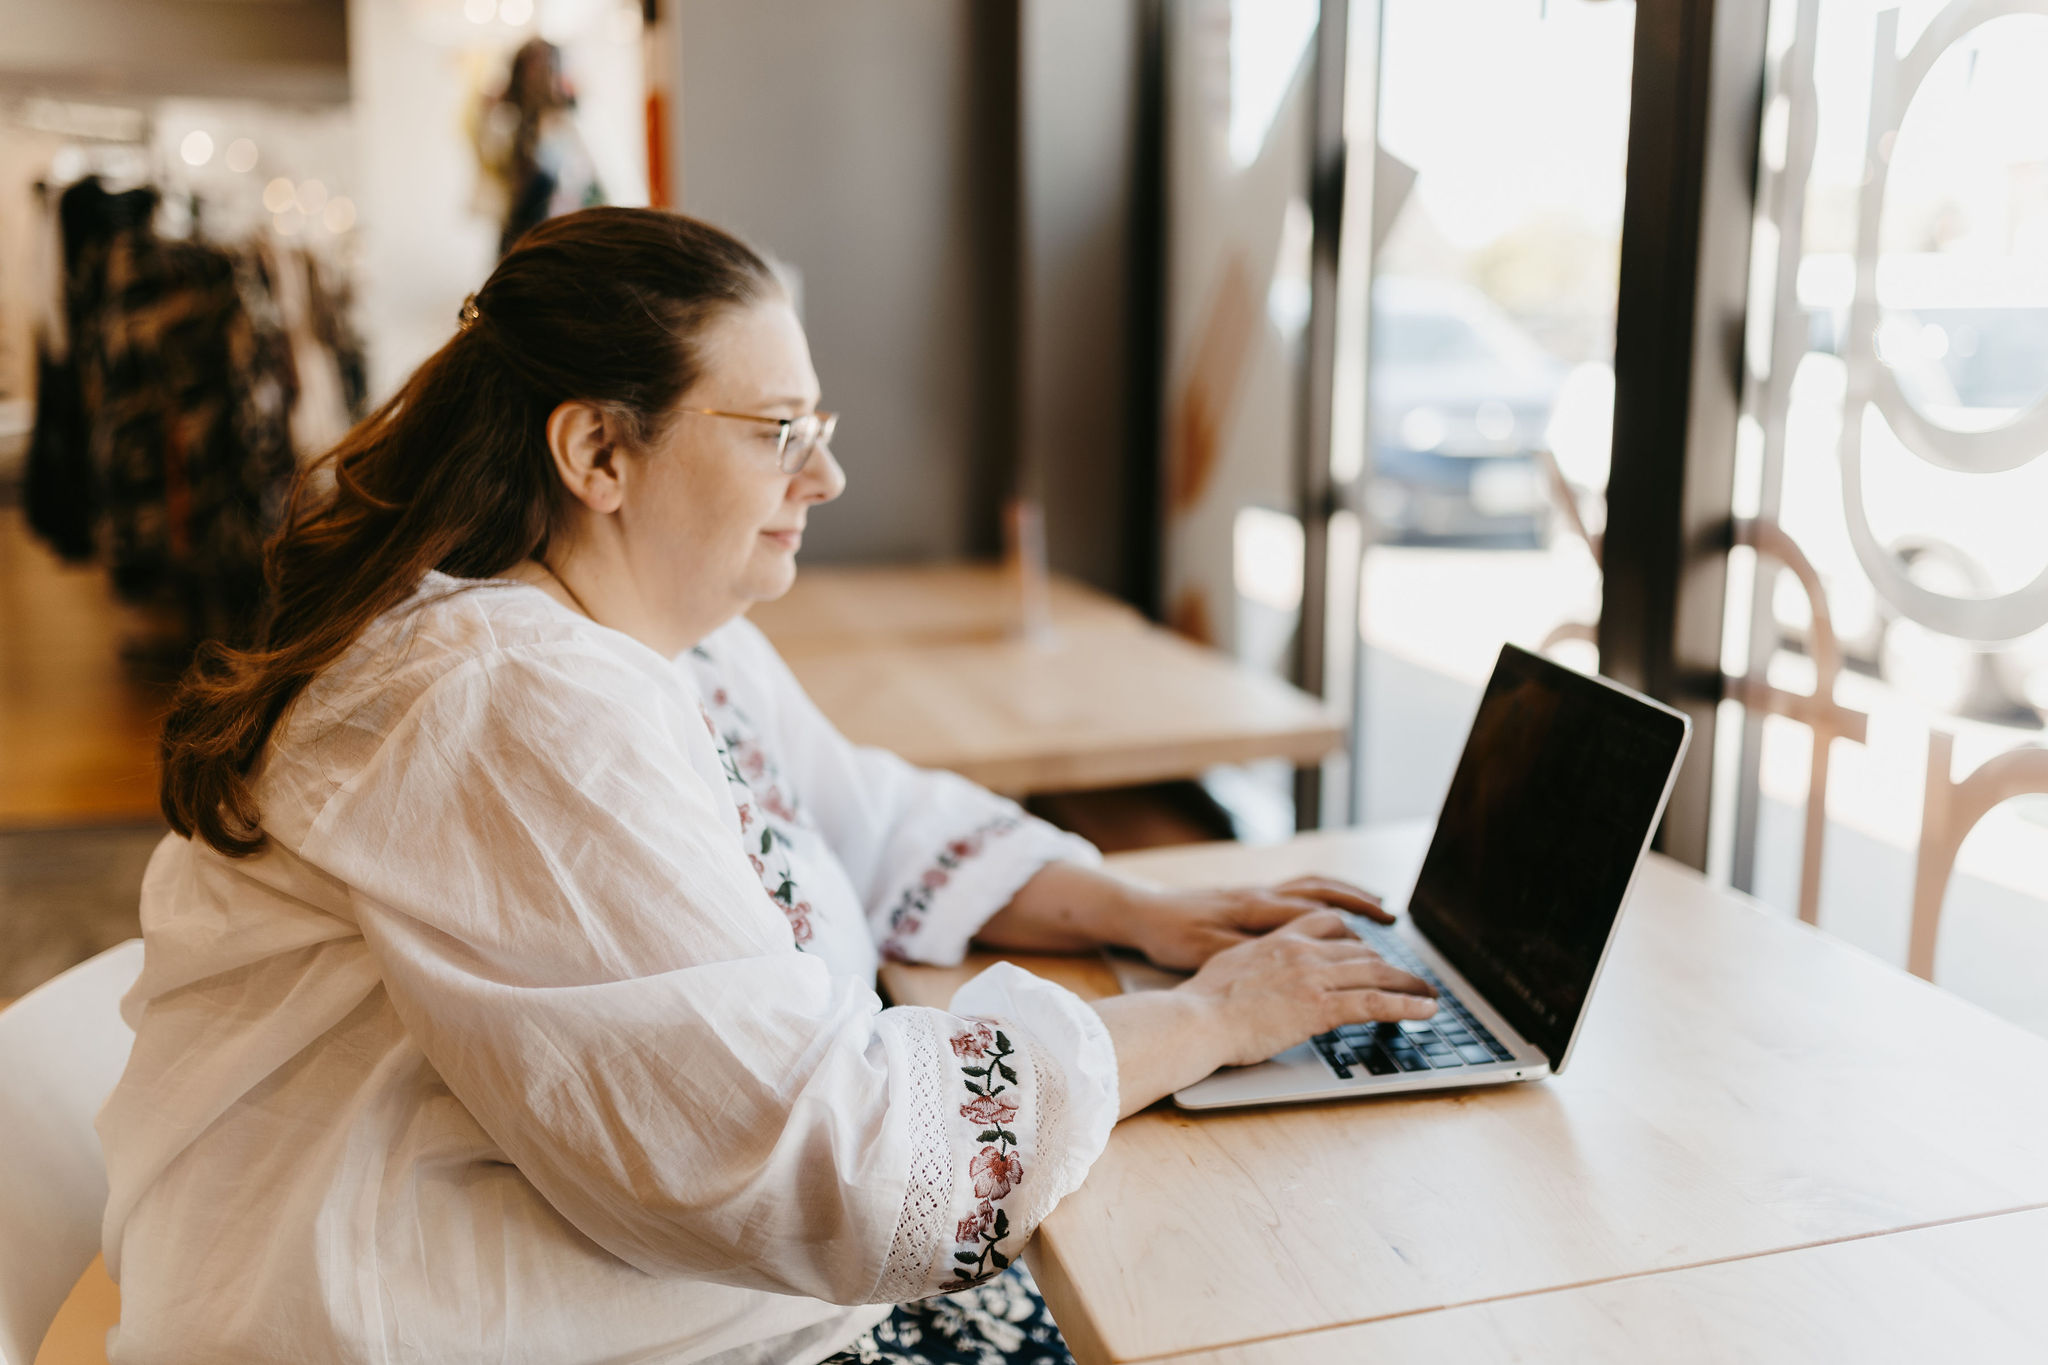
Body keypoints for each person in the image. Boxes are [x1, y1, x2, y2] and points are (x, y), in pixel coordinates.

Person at [98, 207, 1437, 1365]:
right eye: (780, 431)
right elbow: (826, 1162)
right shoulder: (515, 700)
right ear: (597, 455)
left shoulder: (644, 640)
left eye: (823, 427)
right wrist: (1207, 1021)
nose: (829, 477)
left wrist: (1131, 913)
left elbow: (855, 811)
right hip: (416, 1318)